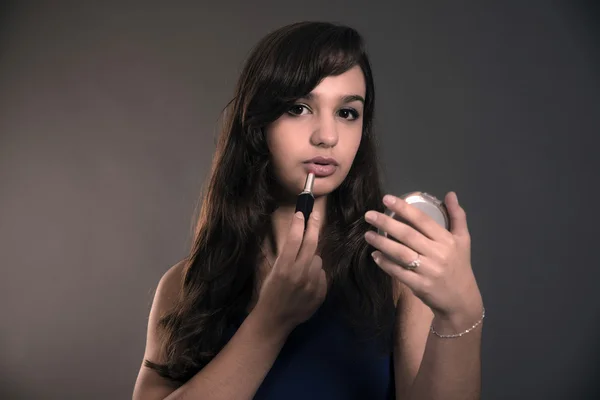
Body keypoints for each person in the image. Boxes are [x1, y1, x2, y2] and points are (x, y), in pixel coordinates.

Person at [132, 21, 484, 400]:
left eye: (348, 113)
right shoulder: (187, 284)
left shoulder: (394, 270)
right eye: (300, 108)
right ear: (257, 123)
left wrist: (460, 314)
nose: (327, 136)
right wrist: (269, 323)